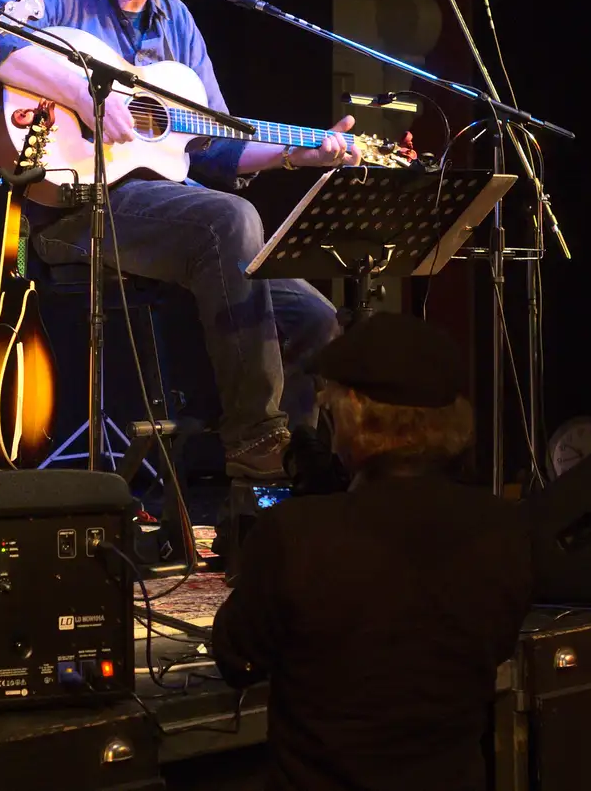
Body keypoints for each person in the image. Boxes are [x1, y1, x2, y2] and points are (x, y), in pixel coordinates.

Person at [0, 0, 359, 480]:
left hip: (169, 211)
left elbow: (215, 147)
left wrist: (297, 153)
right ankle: (256, 437)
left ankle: (294, 474)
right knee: (228, 219)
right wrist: (84, 88)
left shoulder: (176, 19)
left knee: (311, 314)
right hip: (73, 208)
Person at [212, 314, 533, 791]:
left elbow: (236, 659)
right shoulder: (507, 529)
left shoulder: (296, 534)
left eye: (332, 402)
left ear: (355, 412)